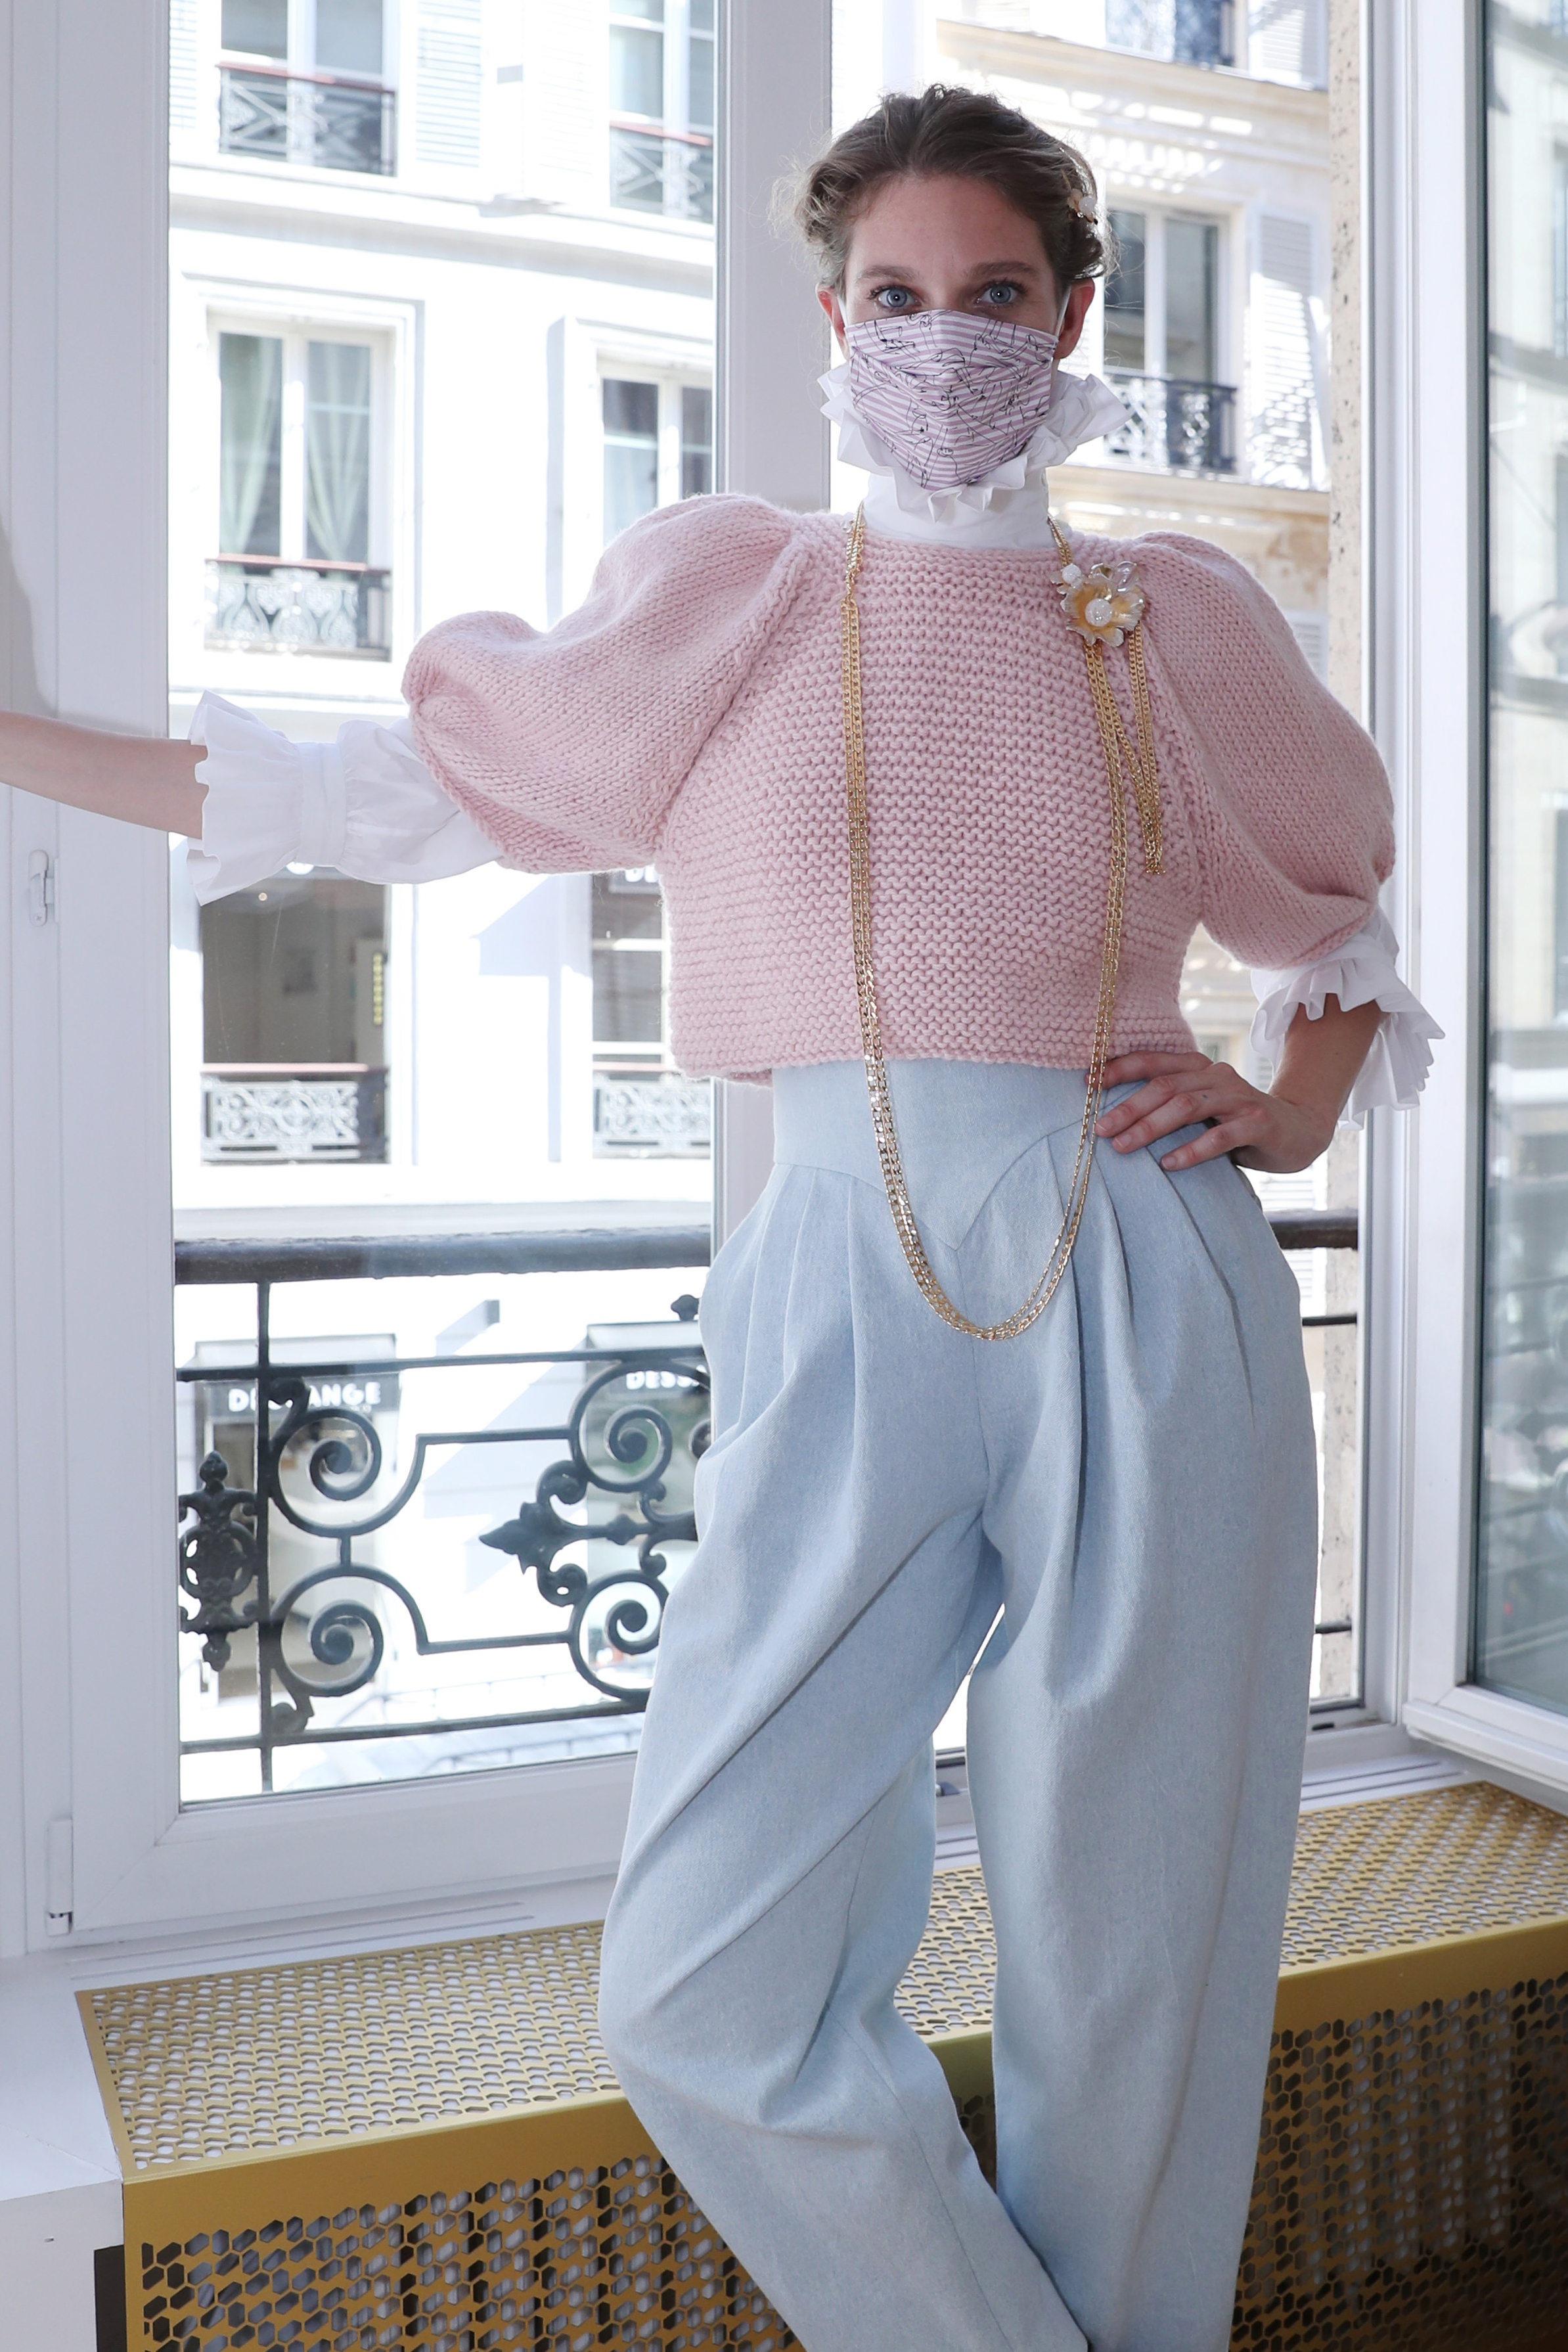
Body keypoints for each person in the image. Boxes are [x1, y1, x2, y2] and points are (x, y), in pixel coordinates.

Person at [1, 83, 1437, 2352]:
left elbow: (1339, 918)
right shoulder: (737, 600)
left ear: (1071, 315)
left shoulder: (1165, 618)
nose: (944, 340)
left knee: (1139, 1949)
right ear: (831, 322)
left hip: (1145, 1277)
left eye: (993, 294)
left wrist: (1280, 1109)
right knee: (702, 1981)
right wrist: (20, 741)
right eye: (896, 295)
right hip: (839, 1270)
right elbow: (385, 793)